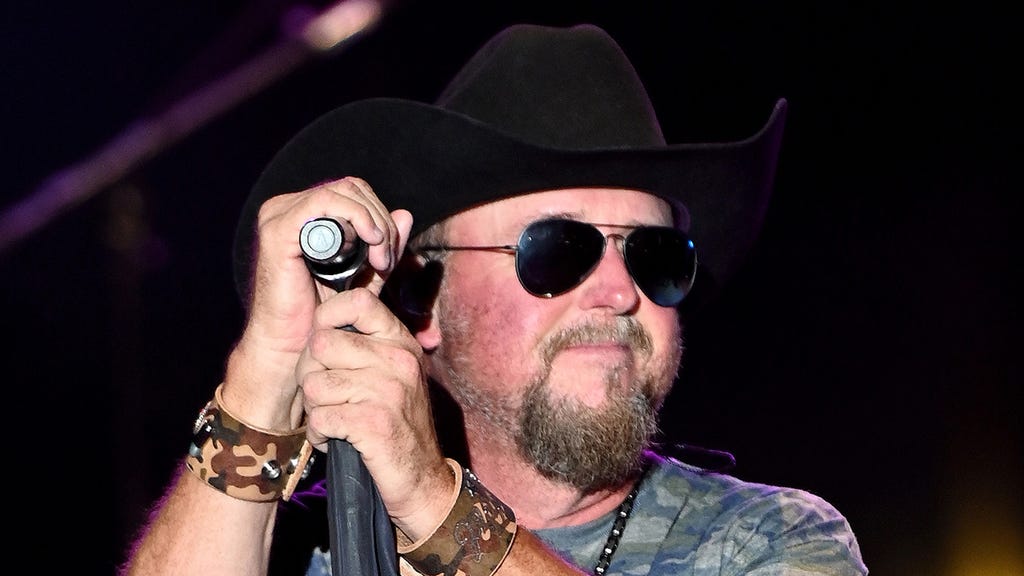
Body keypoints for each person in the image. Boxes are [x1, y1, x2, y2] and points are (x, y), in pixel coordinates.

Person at [121, 23, 867, 576]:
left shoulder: (768, 540)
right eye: (559, 250)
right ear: (426, 301)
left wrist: (436, 506)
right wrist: (266, 373)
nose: (618, 292)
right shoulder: (297, 548)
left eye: (654, 255)